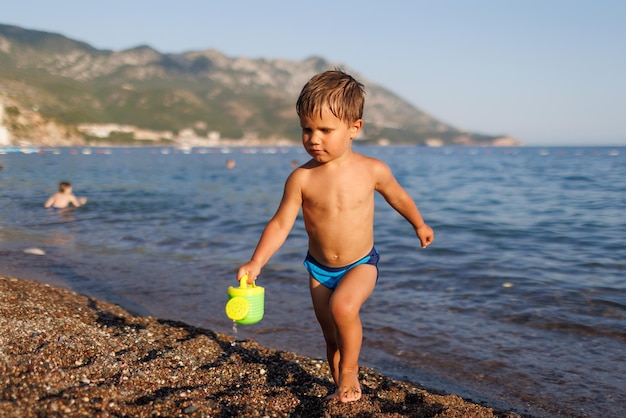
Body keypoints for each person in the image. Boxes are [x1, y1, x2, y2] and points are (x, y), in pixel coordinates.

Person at [237, 70, 434, 403]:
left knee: (344, 308)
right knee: (331, 336)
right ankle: (339, 386)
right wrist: (257, 262)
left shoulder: (372, 170)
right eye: (307, 129)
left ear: (354, 128)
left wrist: (419, 224)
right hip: (319, 270)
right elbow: (282, 223)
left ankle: (350, 373)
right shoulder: (301, 178)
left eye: (326, 130)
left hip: (361, 262)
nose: (314, 139)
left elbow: (398, 197)